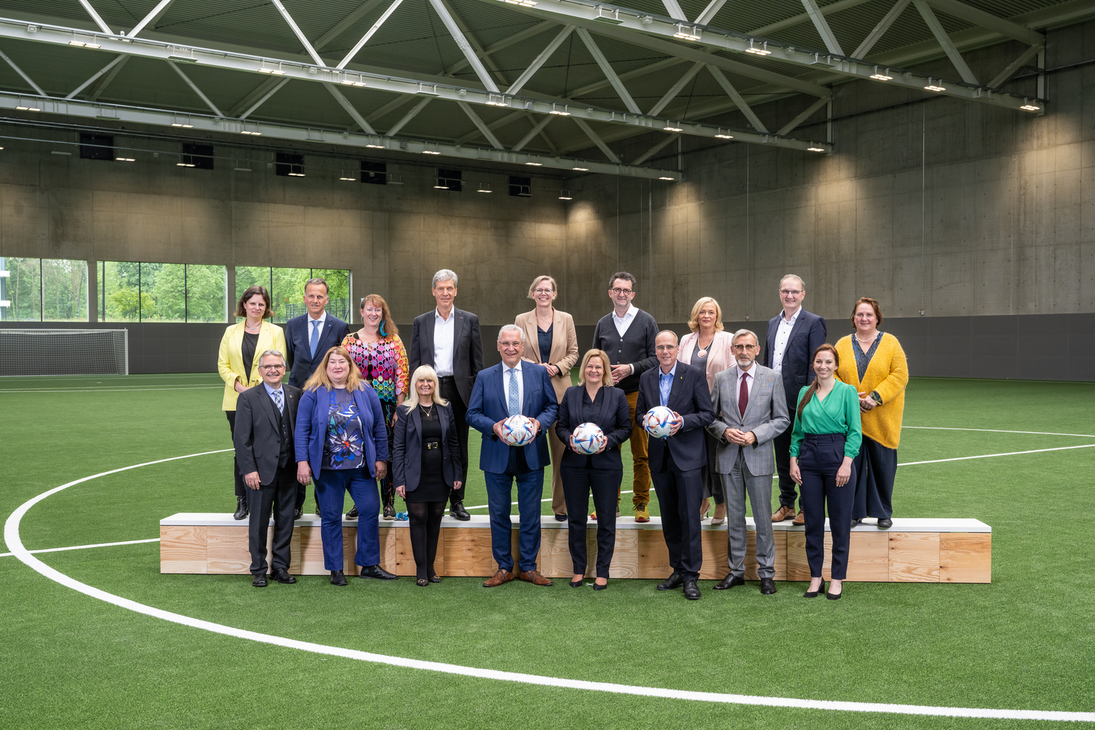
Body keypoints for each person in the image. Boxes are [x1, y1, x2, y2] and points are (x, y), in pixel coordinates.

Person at [466, 325, 559, 588]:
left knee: (531, 513)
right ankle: (504, 567)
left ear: (523, 346)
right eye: (505, 343)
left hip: (531, 453)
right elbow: (472, 414)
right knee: (499, 513)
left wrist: (538, 425)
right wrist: (494, 427)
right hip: (497, 454)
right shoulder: (485, 376)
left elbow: (552, 407)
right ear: (498, 346)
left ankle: (529, 567)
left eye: (515, 344)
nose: (510, 348)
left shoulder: (539, 373)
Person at [294, 346, 395, 586]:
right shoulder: (312, 392)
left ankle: (369, 564)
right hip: (328, 469)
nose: (337, 366)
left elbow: (379, 426)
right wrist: (302, 462)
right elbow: (302, 430)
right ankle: (335, 569)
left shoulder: (365, 390)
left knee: (370, 510)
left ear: (350, 366)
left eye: (342, 362)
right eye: (333, 363)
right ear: (325, 367)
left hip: (361, 468)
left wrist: (381, 457)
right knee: (330, 517)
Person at [707, 330, 789, 594]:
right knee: (736, 518)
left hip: (759, 456)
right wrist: (723, 431)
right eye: (738, 347)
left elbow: (782, 419)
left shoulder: (772, 377)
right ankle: (736, 571)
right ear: (732, 350)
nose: (743, 351)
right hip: (728, 457)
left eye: (748, 347)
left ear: (756, 350)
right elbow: (709, 417)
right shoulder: (721, 379)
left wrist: (756, 434)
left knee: (763, 518)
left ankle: (766, 573)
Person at [636, 331, 714, 601]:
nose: (665, 351)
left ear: (678, 349)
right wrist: (647, 421)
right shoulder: (646, 378)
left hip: (688, 457)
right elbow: (638, 415)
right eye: (660, 347)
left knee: (690, 517)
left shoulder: (692, 374)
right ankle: (678, 569)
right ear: (655, 351)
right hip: (660, 458)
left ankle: (692, 576)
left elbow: (707, 413)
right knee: (669, 517)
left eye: (669, 346)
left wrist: (683, 422)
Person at [409, 269, 484, 521]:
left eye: (449, 288)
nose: (445, 292)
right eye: (440, 288)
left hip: (459, 390)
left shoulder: (469, 320)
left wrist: (477, 394)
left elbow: (477, 363)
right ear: (433, 291)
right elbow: (415, 360)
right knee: (429, 443)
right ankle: (432, 496)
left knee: (459, 447)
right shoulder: (421, 321)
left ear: (456, 291)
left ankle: (457, 501)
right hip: (429, 388)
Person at [554, 349, 632, 590]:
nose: (594, 371)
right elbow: (561, 426)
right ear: (583, 369)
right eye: (590, 366)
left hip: (606, 465)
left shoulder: (617, 395)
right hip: (574, 465)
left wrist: (608, 441)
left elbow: (626, 428)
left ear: (605, 370)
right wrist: (571, 441)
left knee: (606, 520)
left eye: (599, 367)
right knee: (576, 519)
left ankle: (602, 571)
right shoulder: (571, 393)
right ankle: (578, 569)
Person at [789, 344, 862, 600]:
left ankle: (837, 578)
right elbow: (797, 432)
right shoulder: (804, 393)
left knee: (841, 522)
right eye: (819, 361)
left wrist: (846, 462)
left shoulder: (847, 392)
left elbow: (854, 431)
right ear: (813, 364)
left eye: (828, 362)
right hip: (808, 458)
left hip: (836, 455)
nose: (823, 366)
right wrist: (793, 459)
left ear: (836, 365)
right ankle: (816, 576)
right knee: (813, 523)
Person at [834, 297, 909, 530]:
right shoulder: (842, 344)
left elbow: (900, 375)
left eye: (869, 315)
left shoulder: (891, 343)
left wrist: (875, 398)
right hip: (851, 417)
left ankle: (883, 512)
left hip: (883, 417)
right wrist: (850, 397)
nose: (864, 319)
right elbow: (832, 374)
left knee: (882, 467)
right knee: (851, 467)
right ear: (853, 318)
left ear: (877, 318)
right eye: (859, 314)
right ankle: (854, 512)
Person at [590, 272, 659, 522]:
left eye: (626, 290)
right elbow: (594, 359)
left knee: (641, 453)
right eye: (617, 290)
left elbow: (655, 358)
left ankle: (641, 503)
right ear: (610, 293)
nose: (621, 294)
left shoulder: (646, 321)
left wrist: (630, 368)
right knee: (609, 450)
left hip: (638, 396)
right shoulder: (602, 323)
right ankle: (610, 504)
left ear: (632, 294)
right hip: (608, 397)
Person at [218, 285, 287, 521]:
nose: (257, 307)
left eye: (261, 304)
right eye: (253, 303)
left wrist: (257, 390)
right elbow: (222, 365)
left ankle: (270, 500)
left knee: (268, 450)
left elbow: (278, 364)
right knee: (242, 451)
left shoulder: (276, 331)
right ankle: (242, 500)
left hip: (267, 399)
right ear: (244, 305)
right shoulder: (230, 332)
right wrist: (239, 387)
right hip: (236, 401)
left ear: (266, 307)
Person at [232, 350, 301, 588]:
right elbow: (241, 440)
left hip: (289, 470)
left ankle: (280, 568)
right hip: (260, 473)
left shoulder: (296, 395)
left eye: (278, 366)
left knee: (286, 521)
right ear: (260, 371)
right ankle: (259, 569)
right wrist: (249, 470)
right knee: (259, 523)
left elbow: (300, 433)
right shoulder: (249, 398)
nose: (273, 370)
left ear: (284, 369)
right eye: (268, 366)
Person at [515, 275, 579, 522]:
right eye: (539, 290)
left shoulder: (567, 319)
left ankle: (560, 507)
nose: (543, 293)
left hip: (562, 392)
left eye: (548, 290)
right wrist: (537, 367)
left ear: (554, 294)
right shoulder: (521, 319)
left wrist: (557, 367)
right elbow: (515, 351)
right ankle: (527, 509)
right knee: (528, 451)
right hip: (531, 392)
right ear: (532, 293)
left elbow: (574, 352)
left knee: (562, 452)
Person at [764, 274, 827, 527]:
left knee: (804, 455)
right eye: (785, 291)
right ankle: (787, 504)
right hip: (774, 400)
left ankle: (806, 508)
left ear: (803, 294)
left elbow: (818, 363)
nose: (789, 295)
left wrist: (810, 398)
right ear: (779, 293)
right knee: (782, 455)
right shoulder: (771, 323)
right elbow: (767, 362)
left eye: (794, 291)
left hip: (801, 399)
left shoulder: (813, 322)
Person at [284, 277, 350, 517]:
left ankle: (323, 502)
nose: (315, 300)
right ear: (304, 298)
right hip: (298, 394)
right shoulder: (292, 325)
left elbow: (342, 361)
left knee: (326, 445)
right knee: (297, 445)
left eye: (319, 296)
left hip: (328, 395)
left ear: (326, 299)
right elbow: (293, 360)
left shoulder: (340, 326)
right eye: (310, 295)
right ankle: (297, 502)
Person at [393, 366, 463, 587]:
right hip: (415, 473)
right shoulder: (404, 410)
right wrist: (399, 479)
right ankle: (421, 569)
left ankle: (431, 567)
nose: (425, 384)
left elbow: (453, 443)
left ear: (435, 384)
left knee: (435, 519)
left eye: (430, 381)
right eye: (421, 380)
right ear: (414, 383)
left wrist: (457, 473)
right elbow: (398, 448)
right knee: (418, 518)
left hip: (440, 473)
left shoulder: (445, 407)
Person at [342, 294, 409, 522]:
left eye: (378, 310)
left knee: (386, 454)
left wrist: (399, 408)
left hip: (387, 406)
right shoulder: (349, 341)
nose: (373, 314)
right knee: (359, 453)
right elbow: (341, 371)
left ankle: (388, 504)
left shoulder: (393, 340)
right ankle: (361, 502)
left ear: (383, 313)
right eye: (369, 309)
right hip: (356, 406)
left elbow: (402, 374)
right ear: (361, 312)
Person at [678, 296, 736, 525]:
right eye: (702, 312)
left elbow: (732, 374)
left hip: (718, 410)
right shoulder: (686, 340)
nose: (707, 316)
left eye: (711, 312)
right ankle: (704, 500)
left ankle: (721, 503)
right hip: (691, 410)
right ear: (696, 315)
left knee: (715, 459)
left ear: (717, 316)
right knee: (696, 458)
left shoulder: (727, 339)